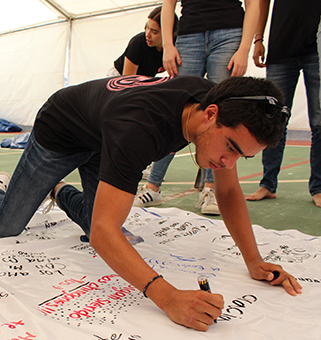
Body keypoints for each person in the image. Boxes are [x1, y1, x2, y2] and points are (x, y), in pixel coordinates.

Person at [0, 75, 302, 331]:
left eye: (240, 157)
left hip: (106, 138)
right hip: (62, 131)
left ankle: (57, 189)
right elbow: (102, 234)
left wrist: (254, 260)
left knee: (109, 230)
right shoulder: (138, 128)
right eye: (230, 148)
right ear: (210, 115)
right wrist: (167, 296)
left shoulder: (219, 105)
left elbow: (227, 192)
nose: (228, 163)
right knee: (8, 226)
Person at [134, 0, 259, 215]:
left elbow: (253, 3)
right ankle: (153, 186)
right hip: (188, 34)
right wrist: (169, 45)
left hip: (229, 32)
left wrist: (244, 48)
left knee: (222, 114)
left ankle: (211, 189)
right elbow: (168, 4)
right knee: (175, 110)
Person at [245, 0, 321, 208]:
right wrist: (258, 39)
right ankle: (268, 184)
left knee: (319, 121)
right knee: (273, 118)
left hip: (316, 49)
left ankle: (319, 187)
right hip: (281, 47)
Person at [112, 6, 177, 77]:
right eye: (147, 28)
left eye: (154, 32)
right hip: (120, 76)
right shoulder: (138, 43)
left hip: (144, 79)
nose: (147, 34)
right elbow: (127, 79)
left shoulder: (176, 45)